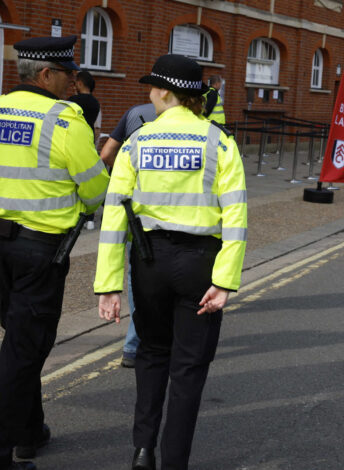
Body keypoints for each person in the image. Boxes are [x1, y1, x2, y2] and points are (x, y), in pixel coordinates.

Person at [95, 54, 247, 470]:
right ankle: (174, 461)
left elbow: (114, 215)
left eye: (151, 87)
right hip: (200, 261)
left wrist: (108, 284)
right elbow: (235, 215)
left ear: (163, 91)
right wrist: (226, 278)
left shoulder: (138, 141)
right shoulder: (219, 141)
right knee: (189, 365)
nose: (148, 94)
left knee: (151, 353)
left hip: (149, 262)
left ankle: (143, 449)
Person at [0, 36, 109, 470]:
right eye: (68, 74)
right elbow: (94, 190)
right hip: (40, 249)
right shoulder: (64, 119)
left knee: (19, 339)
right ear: (46, 74)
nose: (74, 83)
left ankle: (29, 432)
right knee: (22, 353)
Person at [98, 101, 158, 368]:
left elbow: (107, 153)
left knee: (138, 286)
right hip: (181, 230)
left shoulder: (134, 113)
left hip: (137, 221)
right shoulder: (198, 123)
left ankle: (133, 347)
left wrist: (123, 174)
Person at [67, 70, 101, 141]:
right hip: (89, 138)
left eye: (75, 84)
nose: (74, 87)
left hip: (74, 138)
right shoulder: (96, 103)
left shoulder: (73, 101)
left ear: (80, 83)